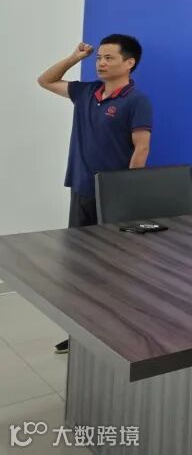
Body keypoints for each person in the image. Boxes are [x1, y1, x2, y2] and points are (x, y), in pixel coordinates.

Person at [38, 35, 154, 354]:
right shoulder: (86, 92)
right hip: (82, 189)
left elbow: (141, 149)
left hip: (114, 198)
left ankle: (113, 333)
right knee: (80, 267)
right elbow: (45, 80)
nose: (101, 63)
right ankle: (80, 335)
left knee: (113, 269)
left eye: (108, 58)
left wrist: (127, 195)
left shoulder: (137, 101)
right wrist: (74, 57)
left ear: (129, 63)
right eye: (99, 58)